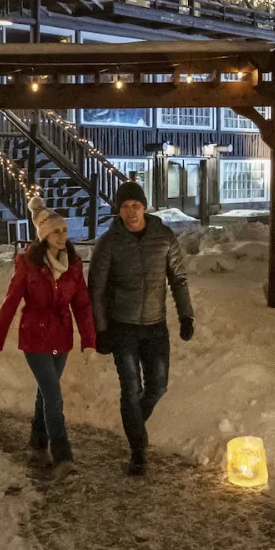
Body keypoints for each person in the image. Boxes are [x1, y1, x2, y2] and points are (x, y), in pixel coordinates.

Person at [87, 182, 193, 476]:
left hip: (155, 326)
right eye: (124, 207)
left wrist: (186, 316)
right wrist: (101, 329)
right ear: (118, 211)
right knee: (131, 389)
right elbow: (95, 289)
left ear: (144, 206)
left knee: (158, 386)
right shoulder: (109, 243)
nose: (130, 212)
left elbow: (179, 279)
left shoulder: (164, 237)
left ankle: (134, 425)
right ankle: (138, 450)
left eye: (135, 205)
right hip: (123, 328)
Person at [0, 208, 94, 467]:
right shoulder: (28, 264)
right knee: (53, 395)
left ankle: (37, 440)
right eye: (56, 230)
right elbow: (11, 302)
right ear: (44, 234)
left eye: (65, 230)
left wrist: (88, 339)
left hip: (61, 337)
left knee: (45, 392)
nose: (61, 235)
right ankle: (62, 455)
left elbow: (82, 305)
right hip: (35, 337)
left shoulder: (73, 265)